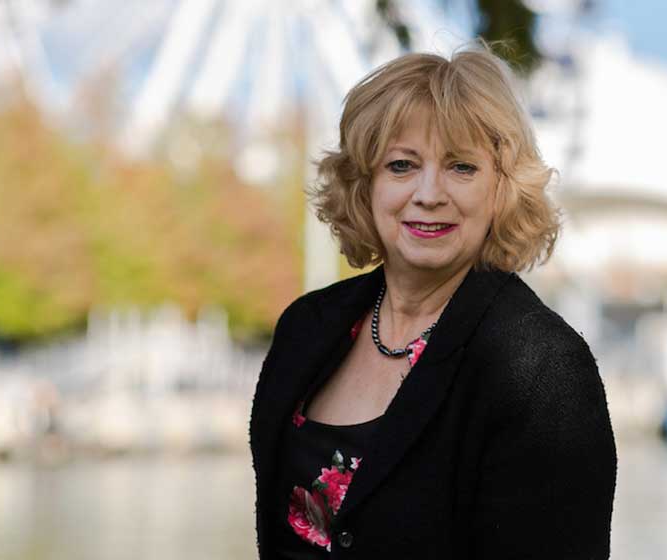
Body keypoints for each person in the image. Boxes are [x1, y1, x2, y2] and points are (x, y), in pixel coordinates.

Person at [249, 46, 616, 559]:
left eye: (461, 167)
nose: (428, 193)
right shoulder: (306, 328)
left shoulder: (544, 369)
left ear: (502, 188)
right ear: (366, 184)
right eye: (401, 165)